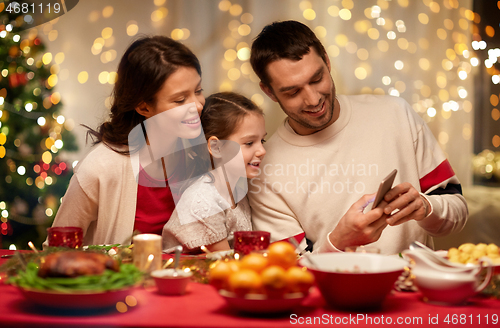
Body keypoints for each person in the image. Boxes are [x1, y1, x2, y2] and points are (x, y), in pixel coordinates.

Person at [248, 20, 468, 254]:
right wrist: (338, 242)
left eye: (316, 79)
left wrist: (426, 207)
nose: (313, 99)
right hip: (335, 291)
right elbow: (288, 273)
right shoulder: (263, 169)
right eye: (292, 92)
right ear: (269, 91)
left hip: (413, 288)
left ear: (327, 61)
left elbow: (458, 211)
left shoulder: (395, 113)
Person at [47, 36, 205, 246]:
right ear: (143, 107)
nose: (197, 106)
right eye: (180, 100)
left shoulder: (201, 154)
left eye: (198, 91)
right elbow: (58, 251)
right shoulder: (100, 168)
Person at [162, 92, 267, 253]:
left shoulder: (237, 190)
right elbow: (224, 262)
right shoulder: (203, 201)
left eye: (262, 141)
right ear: (216, 147)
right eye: (249, 143)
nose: (262, 150)